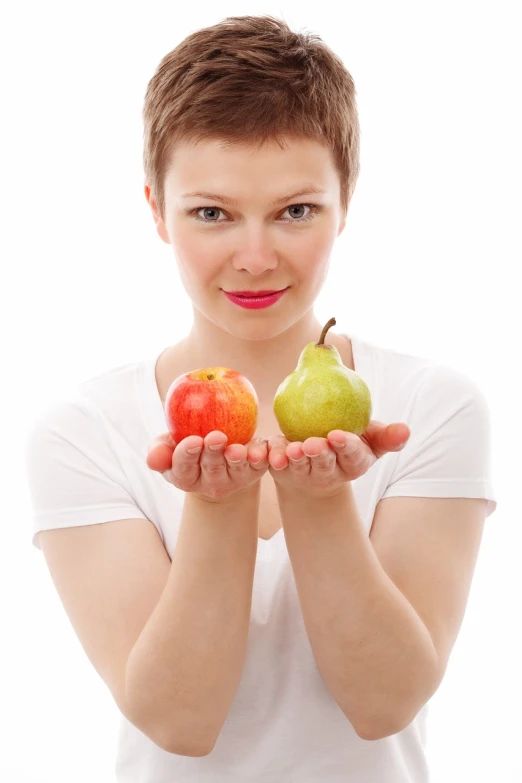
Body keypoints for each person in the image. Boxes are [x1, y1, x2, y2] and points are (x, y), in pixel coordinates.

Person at [24, 14, 497, 783]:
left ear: (346, 203)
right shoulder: (82, 430)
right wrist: (216, 505)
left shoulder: (433, 405)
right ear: (155, 210)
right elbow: (180, 721)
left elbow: (385, 703)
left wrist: (319, 503)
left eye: (295, 211)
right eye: (212, 213)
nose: (254, 257)